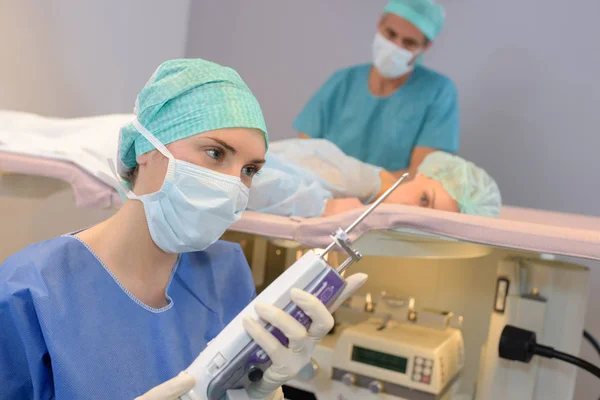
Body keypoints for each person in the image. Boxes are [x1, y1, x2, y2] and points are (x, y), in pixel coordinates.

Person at [0, 59, 366, 400]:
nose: (233, 184)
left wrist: (266, 392)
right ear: (146, 148)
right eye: (215, 153)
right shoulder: (31, 292)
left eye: (249, 170)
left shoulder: (226, 272)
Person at [293, 0, 458, 179]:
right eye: (390, 34)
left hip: (388, 203)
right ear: (379, 24)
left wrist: (358, 187)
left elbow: (421, 175)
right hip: (324, 198)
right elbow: (303, 156)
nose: (396, 46)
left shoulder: (438, 92)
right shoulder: (342, 82)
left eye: (409, 42)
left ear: (425, 47)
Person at [247, 139, 501, 218]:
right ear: (422, 174)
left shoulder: (370, 200)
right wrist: (324, 207)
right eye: (424, 199)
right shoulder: (358, 182)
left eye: (428, 216)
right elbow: (248, 176)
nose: (410, 211)